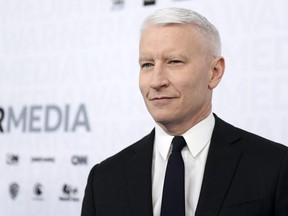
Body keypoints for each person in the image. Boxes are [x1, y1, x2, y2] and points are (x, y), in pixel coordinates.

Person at [81, 7, 288, 216]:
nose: (156, 81)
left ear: (214, 72)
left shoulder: (276, 167)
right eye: (147, 64)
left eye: (174, 62)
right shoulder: (104, 179)